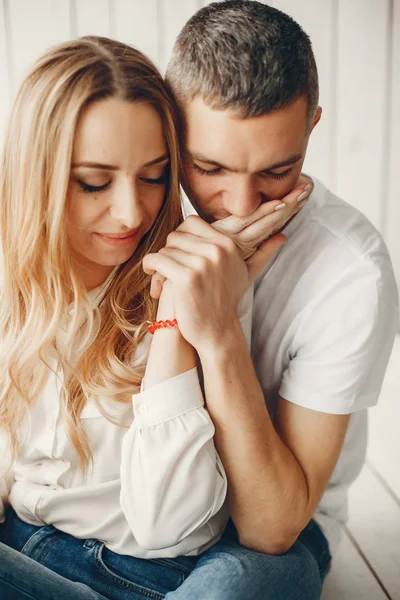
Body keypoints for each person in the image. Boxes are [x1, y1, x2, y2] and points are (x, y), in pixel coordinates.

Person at [0, 34, 312, 600]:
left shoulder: (200, 277)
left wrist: (173, 315)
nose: (131, 212)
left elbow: (170, 529)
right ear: (35, 176)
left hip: (151, 576)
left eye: (154, 176)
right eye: (93, 182)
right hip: (25, 553)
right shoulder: (13, 280)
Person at [141, 0, 399, 598]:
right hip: (124, 512)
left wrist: (219, 329)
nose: (240, 205)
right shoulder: (129, 211)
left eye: (279, 171)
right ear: (172, 125)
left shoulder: (352, 271)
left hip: (262, 535)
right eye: (208, 167)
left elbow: (273, 525)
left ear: (312, 127)